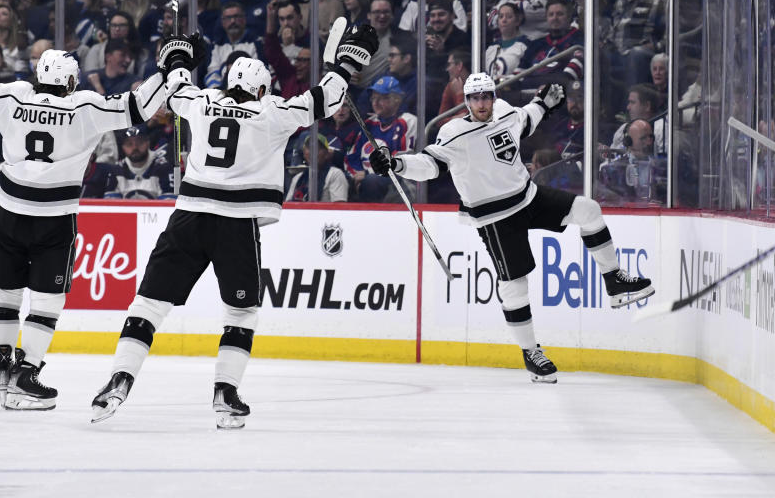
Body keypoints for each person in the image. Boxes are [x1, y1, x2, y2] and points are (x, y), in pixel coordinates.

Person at [90, 24, 380, 428]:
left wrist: (179, 56)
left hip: (188, 216)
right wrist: (347, 62)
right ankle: (225, 392)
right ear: (262, 89)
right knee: (241, 313)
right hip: (237, 224)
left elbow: (175, 84)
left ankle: (118, 379)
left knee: (149, 304)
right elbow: (327, 98)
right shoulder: (272, 111)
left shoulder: (201, 100)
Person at [0, 34, 170, 411]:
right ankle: (26, 373)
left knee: (3, 293)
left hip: (8, 212)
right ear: (71, 81)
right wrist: (168, 69)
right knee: (46, 300)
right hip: (54, 220)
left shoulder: (15, 95)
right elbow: (138, 106)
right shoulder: (84, 105)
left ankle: (1, 367)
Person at [369, 73, 655, 383]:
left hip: (528, 197)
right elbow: (430, 164)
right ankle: (531, 352)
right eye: (475, 98)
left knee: (589, 210)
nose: (482, 103)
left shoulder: (504, 110)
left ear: (493, 96)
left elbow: (526, 118)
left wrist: (544, 102)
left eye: (486, 96)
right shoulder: (453, 133)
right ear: (466, 102)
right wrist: (396, 164)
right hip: (494, 217)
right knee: (515, 283)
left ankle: (613, 280)